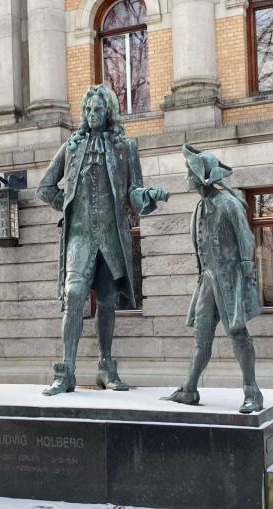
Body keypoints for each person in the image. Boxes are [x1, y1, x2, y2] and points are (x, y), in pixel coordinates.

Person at [37, 84, 168, 396]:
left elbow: (134, 195)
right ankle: (66, 370)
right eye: (88, 110)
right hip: (80, 237)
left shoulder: (125, 148)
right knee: (73, 294)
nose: (92, 115)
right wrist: (66, 202)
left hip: (111, 237)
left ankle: (105, 367)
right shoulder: (71, 147)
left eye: (97, 109)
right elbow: (44, 187)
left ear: (108, 112)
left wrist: (148, 195)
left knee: (108, 303)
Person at [162, 145, 263, 413]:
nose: (187, 176)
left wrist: (246, 281)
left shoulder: (229, 204)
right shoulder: (198, 208)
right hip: (207, 280)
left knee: (238, 333)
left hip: (230, 279)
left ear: (201, 178)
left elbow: (246, 241)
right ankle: (189, 388)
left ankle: (252, 391)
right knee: (201, 337)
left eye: (190, 172)